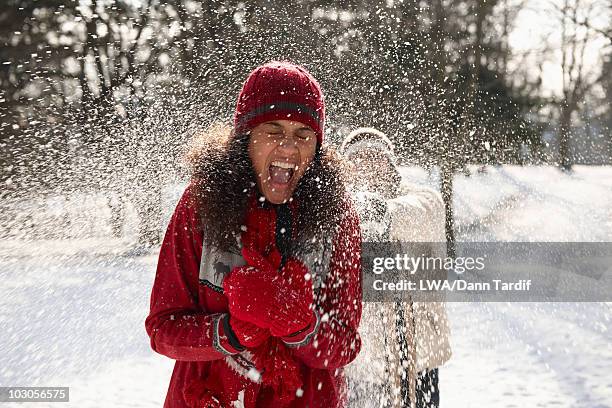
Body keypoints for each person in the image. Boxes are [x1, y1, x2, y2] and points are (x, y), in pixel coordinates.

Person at [144, 61, 363, 408]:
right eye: (273, 131)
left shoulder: (336, 216)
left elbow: (345, 345)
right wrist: (229, 332)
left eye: (303, 135)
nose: (289, 148)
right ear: (246, 139)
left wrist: (300, 327)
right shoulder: (200, 204)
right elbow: (162, 328)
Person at [341, 127, 451, 408]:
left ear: (390, 163)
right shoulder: (341, 210)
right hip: (361, 365)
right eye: (358, 159)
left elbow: (420, 213)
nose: (368, 165)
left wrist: (379, 212)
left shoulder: (423, 199)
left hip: (416, 360)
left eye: (375, 157)